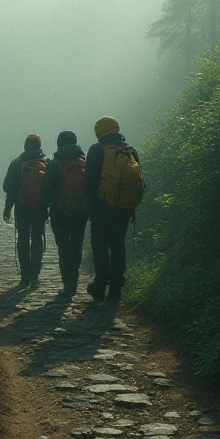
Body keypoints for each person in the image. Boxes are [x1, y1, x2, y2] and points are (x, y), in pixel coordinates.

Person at [84, 116, 144, 304]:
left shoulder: (96, 150)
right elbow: (139, 183)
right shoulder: (130, 150)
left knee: (100, 245)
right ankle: (116, 289)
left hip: (102, 208)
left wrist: (94, 199)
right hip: (124, 209)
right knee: (118, 245)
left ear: (99, 131)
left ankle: (100, 285)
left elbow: (88, 182)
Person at [37, 130, 89, 296]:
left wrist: (43, 209)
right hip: (81, 211)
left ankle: (68, 282)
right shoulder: (84, 161)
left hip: (60, 210)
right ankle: (73, 278)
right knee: (77, 243)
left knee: (64, 246)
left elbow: (46, 189)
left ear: (59, 144)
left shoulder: (54, 163)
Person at [3, 133, 47, 287]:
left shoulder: (16, 164)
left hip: (21, 206)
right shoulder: (46, 163)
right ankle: (35, 273)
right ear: (39, 146)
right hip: (39, 208)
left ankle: (24, 275)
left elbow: (9, 188)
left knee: (23, 238)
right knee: (37, 238)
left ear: (25, 146)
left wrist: (7, 209)